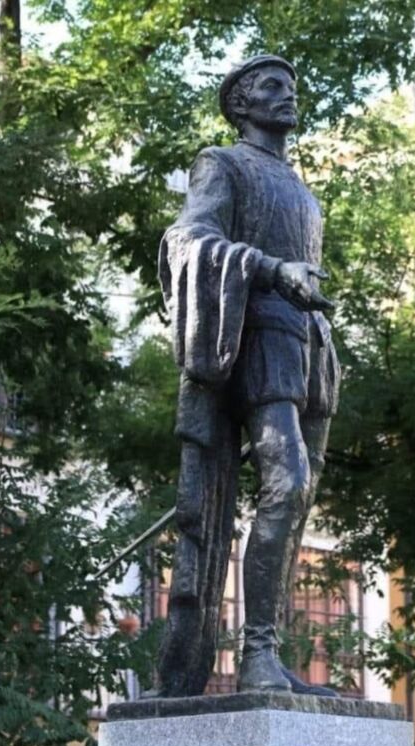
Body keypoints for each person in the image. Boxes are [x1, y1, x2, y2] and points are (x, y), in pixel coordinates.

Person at [158, 54, 340, 696]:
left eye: (292, 85)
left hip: (310, 346)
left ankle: (272, 655)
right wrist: (271, 270)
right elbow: (189, 241)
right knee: (285, 483)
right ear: (239, 103)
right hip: (258, 333)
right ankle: (257, 654)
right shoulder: (223, 163)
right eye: (271, 86)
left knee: (299, 499)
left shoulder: (303, 189)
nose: (287, 95)